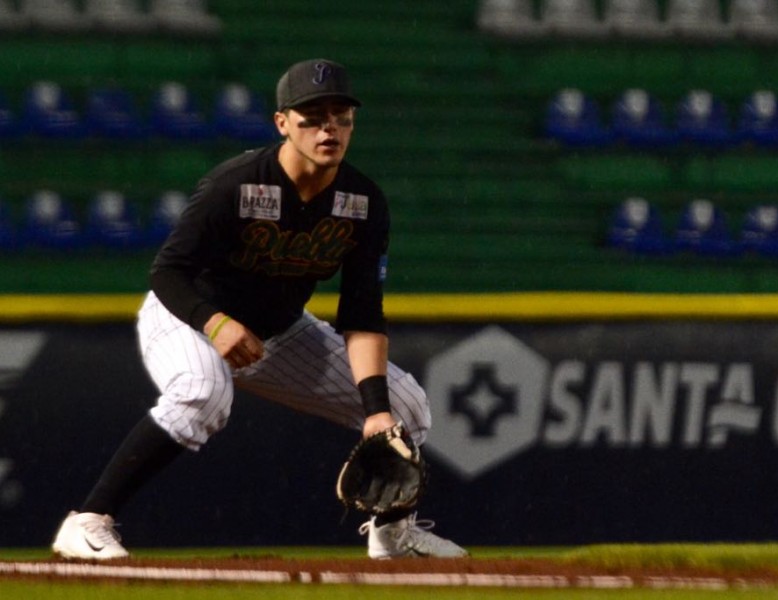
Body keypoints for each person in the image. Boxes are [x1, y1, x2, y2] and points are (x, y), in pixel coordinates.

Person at [51, 59, 467, 560]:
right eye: (312, 116)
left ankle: (392, 536)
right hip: (188, 315)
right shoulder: (238, 183)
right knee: (203, 393)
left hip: (280, 331)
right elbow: (167, 272)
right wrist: (216, 323)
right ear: (283, 123)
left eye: (340, 115)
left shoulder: (362, 201)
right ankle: (88, 521)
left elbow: (362, 314)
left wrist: (376, 409)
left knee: (407, 410)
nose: (328, 127)